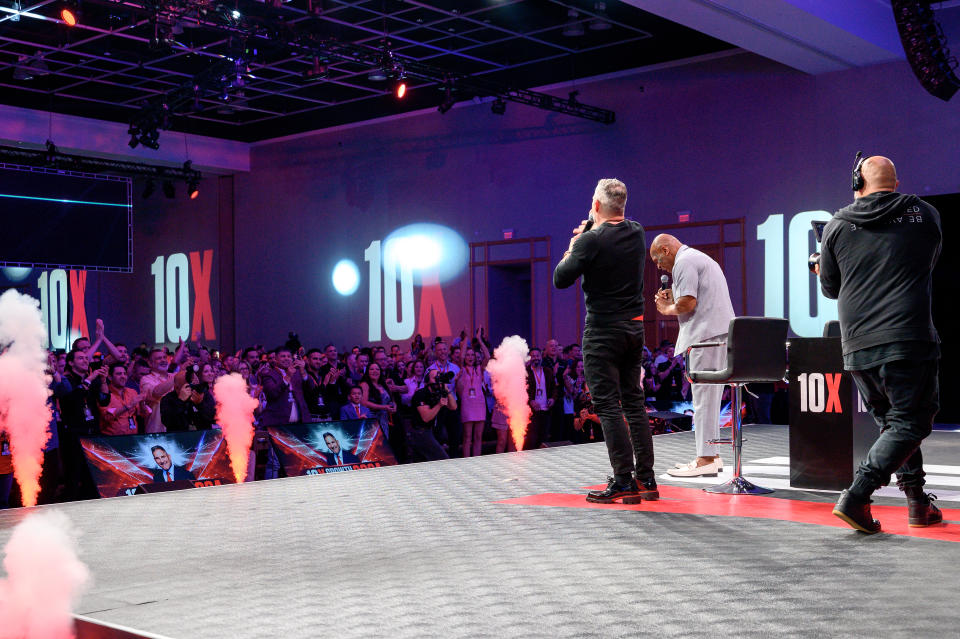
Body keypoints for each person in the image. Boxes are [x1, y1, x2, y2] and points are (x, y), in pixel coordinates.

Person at [817, 155, 942, 533]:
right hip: (907, 336)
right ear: (896, 182)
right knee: (910, 422)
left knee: (895, 424)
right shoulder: (924, 214)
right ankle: (857, 495)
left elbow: (830, 288)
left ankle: (918, 503)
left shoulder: (837, 225)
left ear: (857, 182)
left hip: (858, 344)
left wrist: (823, 265)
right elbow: (927, 261)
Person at [552, 178, 657, 503]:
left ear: (596, 206)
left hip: (602, 331)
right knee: (634, 402)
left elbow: (560, 278)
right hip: (634, 329)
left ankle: (623, 480)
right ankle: (646, 479)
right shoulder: (637, 231)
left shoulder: (590, 240)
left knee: (609, 405)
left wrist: (576, 243)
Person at [650, 233, 735, 477]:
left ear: (666, 250)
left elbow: (688, 304)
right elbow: (693, 297)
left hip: (705, 338)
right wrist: (674, 297)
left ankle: (705, 459)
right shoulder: (698, 258)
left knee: (703, 400)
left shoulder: (684, 262)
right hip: (717, 335)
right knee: (709, 399)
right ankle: (712, 456)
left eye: (657, 259)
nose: (658, 266)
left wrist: (667, 308)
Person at [408, 369, 457, 462]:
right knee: (444, 460)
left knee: (422, 464)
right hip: (420, 432)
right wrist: (439, 405)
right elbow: (426, 418)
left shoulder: (440, 392)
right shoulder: (421, 394)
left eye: (440, 376)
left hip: (430, 431)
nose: (438, 380)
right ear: (427, 381)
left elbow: (453, 407)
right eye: (435, 378)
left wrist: (446, 390)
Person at [456, 333, 489, 457]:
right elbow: (461, 356)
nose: (470, 357)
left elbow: (487, 355)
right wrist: (466, 340)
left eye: (472, 355)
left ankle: (477, 460)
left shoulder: (479, 369)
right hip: (467, 404)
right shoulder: (462, 369)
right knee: (467, 436)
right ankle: (467, 461)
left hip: (479, 405)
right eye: (468, 355)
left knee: (478, 436)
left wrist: (480, 340)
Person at [99, 362, 143, 436]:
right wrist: (127, 406)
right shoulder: (105, 393)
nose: (123, 376)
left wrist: (143, 405)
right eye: (119, 374)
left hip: (132, 437)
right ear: (110, 377)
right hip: (112, 439)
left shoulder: (132, 392)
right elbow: (106, 417)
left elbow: (139, 414)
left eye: (124, 374)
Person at [359, 363, 395, 435]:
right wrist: (384, 407)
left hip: (385, 419)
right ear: (367, 372)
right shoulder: (364, 384)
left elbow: (391, 399)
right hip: (372, 419)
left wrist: (394, 406)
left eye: (377, 369)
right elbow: (364, 402)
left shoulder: (382, 384)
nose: (375, 371)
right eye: (371, 369)